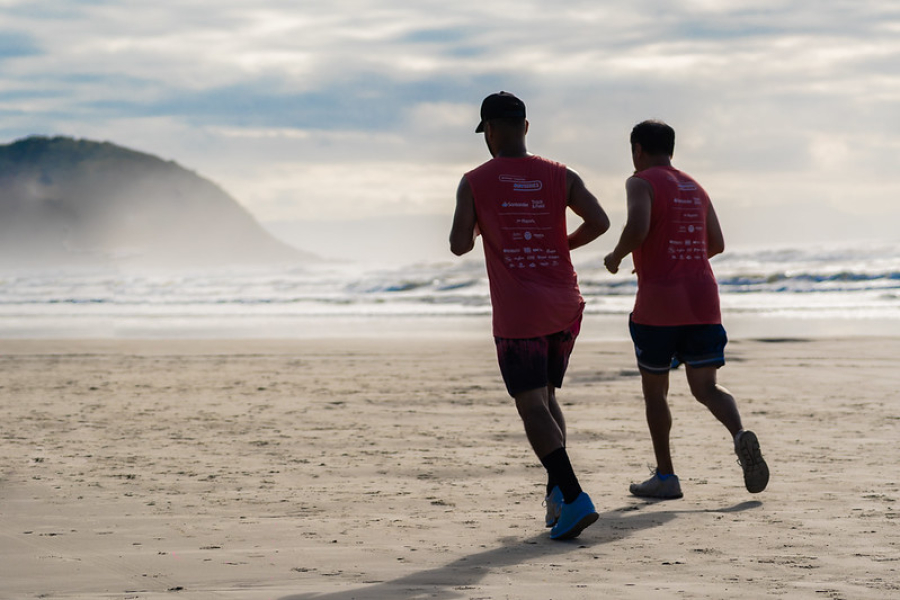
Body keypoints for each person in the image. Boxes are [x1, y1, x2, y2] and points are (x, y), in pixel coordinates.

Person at [450, 92, 610, 540]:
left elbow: (459, 244)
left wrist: (482, 221)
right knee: (548, 398)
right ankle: (557, 495)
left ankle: (575, 496)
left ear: (493, 130)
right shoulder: (560, 175)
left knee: (531, 404)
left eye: (486, 133)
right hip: (564, 302)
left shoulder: (475, 181)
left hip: (519, 309)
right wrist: (561, 244)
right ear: (525, 126)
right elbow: (600, 221)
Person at [604, 120, 769, 499]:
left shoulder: (640, 181)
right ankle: (740, 434)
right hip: (703, 300)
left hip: (659, 305)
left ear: (638, 149)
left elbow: (638, 226)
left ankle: (666, 477)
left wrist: (615, 257)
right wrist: (677, 258)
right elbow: (717, 243)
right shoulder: (696, 186)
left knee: (656, 392)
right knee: (706, 388)